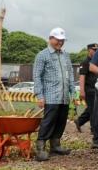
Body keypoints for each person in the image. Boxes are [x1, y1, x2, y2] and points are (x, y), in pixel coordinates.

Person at [33, 27, 75, 161]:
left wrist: (72, 92)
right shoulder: (42, 55)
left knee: (61, 120)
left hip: (64, 96)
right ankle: (40, 148)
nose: (60, 43)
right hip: (51, 96)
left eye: (62, 40)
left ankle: (55, 145)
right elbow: (37, 76)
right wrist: (39, 95)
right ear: (50, 38)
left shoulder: (65, 55)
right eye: (58, 40)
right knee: (48, 121)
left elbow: (70, 74)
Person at [74, 44, 98, 136]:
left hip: (96, 89)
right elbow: (82, 77)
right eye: (93, 50)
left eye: (96, 50)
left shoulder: (96, 61)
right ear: (89, 50)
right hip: (89, 89)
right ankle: (94, 129)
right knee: (93, 110)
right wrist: (82, 91)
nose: (95, 51)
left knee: (93, 109)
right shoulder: (85, 62)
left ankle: (79, 121)